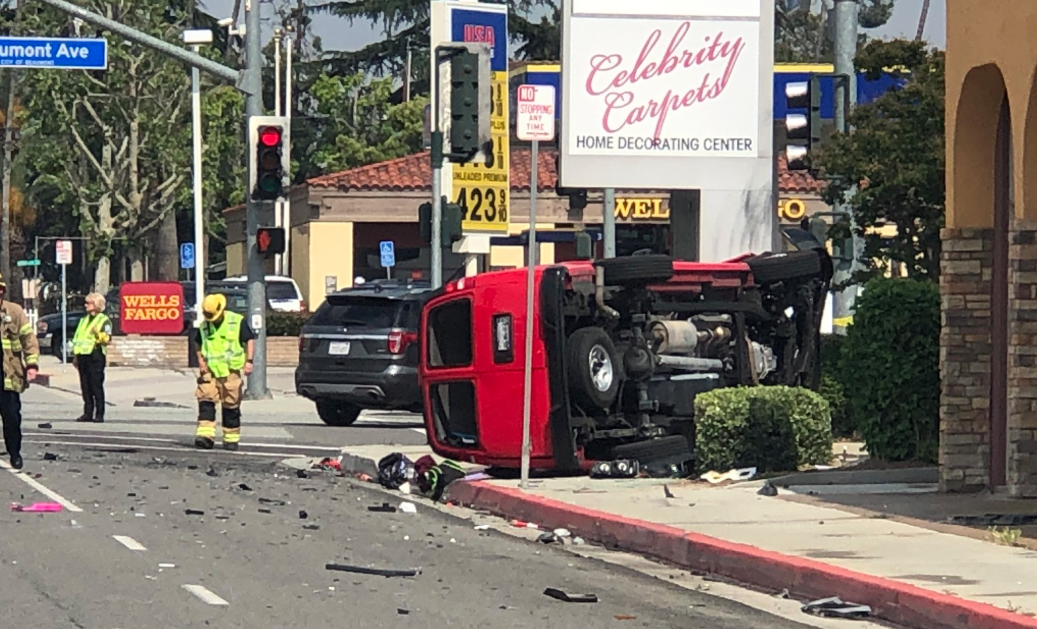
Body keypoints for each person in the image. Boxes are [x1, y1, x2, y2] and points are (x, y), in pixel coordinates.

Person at [194, 293, 254, 451]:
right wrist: (201, 362)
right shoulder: (204, 326)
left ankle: (231, 439)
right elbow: (198, 344)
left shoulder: (236, 321)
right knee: (206, 401)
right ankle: (205, 437)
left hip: (230, 371)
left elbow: (249, 339)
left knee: (231, 406)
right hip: (210, 371)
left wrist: (249, 361)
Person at [0, 274, 39, 469]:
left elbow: (28, 340)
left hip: (8, 374)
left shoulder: (14, 311)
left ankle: (14, 453)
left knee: (12, 417)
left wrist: (31, 365)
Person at [73, 292, 112, 423]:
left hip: (95, 355)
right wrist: (75, 356)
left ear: (96, 305)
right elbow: (78, 338)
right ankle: (87, 413)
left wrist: (98, 334)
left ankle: (99, 414)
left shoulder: (103, 320)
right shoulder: (83, 320)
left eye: (88, 303)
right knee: (85, 386)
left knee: (96, 385)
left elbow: (107, 339)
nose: (85, 305)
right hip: (82, 356)